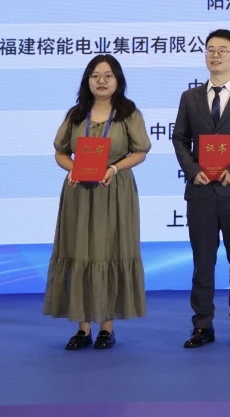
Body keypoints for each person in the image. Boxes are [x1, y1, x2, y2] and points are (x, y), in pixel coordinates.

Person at [44, 54, 150, 350]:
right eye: (95, 75)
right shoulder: (77, 114)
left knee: (109, 250)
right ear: (87, 80)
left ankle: (106, 328)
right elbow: (61, 152)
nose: (101, 81)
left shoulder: (128, 113)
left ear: (118, 80)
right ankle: (82, 328)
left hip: (114, 190)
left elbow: (140, 151)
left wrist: (114, 168)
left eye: (108, 75)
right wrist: (72, 169)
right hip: (79, 191)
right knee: (80, 251)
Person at [171, 28, 230, 349]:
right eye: (210, 49)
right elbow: (179, 138)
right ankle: (202, 325)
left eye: (222, 50)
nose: (215, 55)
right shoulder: (190, 98)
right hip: (201, 190)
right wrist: (193, 170)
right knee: (203, 261)